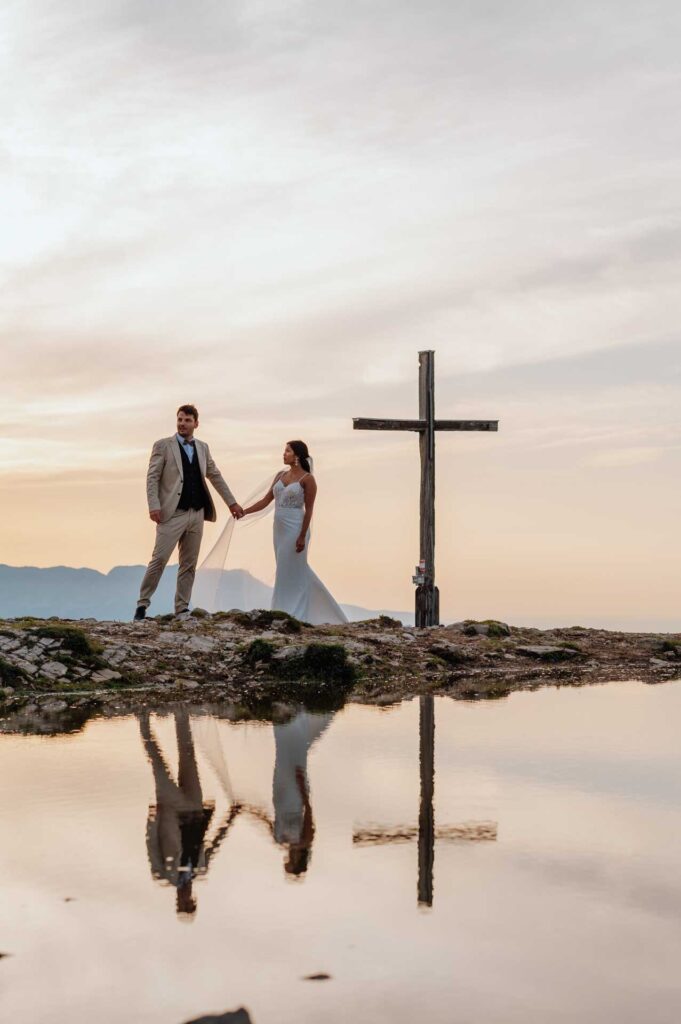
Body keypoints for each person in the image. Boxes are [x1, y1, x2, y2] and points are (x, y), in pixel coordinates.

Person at [134, 405, 244, 620]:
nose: (182, 423)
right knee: (159, 560)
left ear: (196, 423)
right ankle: (142, 604)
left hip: (197, 513)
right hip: (171, 513)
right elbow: (152, 477)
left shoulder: (203, 448)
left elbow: (215, 476)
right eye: (180, 420)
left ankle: (182, 607)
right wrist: (153, 505)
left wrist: (232, 503)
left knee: (189, 564)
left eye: (187, 420)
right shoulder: (163, 445)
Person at [240, 440, 348, 625]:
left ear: (296, 455)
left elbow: (310, 510)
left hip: (296, 527)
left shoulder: (307, 479)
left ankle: (295, 612)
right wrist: (244, 511)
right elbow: (266, 501)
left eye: (287, 451)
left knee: (292, 568)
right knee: (286, 568)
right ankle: (283, 609)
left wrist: (301, 535)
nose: (284, 454)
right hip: (279, 529)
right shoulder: (279, 476)